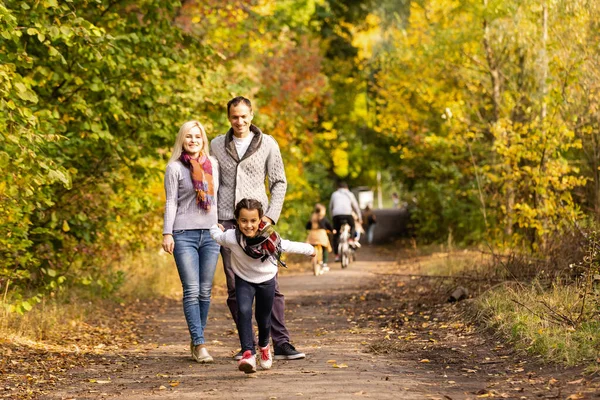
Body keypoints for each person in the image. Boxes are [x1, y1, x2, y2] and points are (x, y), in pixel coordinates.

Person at [210, 96, 305, 360]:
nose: (239, 121)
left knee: (269, 284)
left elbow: (279, 182)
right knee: (234, 286)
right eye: (234, 117)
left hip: (259, 223)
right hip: (229, 219)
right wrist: (212, 218)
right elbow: (211, 181)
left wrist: (271, 217)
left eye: (243, 116)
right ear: (228, 118)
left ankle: (281, 342)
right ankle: (248, 345)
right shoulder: (217, 144)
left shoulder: (267, 143)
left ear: (251, 115)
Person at [210, 199, 315, 373]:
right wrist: (216, 227)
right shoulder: (231, 237)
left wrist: (310, 249)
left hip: (266, 280)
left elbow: (288, 245)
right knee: (243, 311)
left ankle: (264, 347)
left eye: (253, 221)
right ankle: (248, 354)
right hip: (244, 279)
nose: (248, 225)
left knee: (263, 318)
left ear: (261, 221)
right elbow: (216, 236)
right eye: (244, 221)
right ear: (237, 221)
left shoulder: (270, 238)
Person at [162, 120, 221, 363]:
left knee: (206, 292)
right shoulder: (174, 167)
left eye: (197, 136)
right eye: (189, 136)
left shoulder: (213, 165)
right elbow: (171, 202)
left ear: (203, 140)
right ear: (182, 140)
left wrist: (220, 224)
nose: (193, 140)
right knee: (192, 290)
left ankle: (198, 339)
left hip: (210, 234)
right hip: (184, 234)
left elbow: (218, 198)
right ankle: (199, 342)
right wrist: (167, 233)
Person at [329, 181, 362, 262]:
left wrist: (332, 217)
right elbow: (356, 206)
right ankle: (351, 239)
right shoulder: (349, 194)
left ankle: (336, 255)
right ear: (346, 187)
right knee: (352, 226)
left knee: (336, 234)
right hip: (348, 214)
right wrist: (359, 218)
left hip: (336, 215)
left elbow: (330, 207)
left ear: (338, 188)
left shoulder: (334, 194)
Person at [305, 203, 334, 272]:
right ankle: (324, 263)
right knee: (325, 247)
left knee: (312, 247)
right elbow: (329, 226)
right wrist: (333, 230)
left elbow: (307, 226)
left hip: (312, 235)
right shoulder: (323, 218)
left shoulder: (312, 217)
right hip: (321, 235)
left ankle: (312, 259)